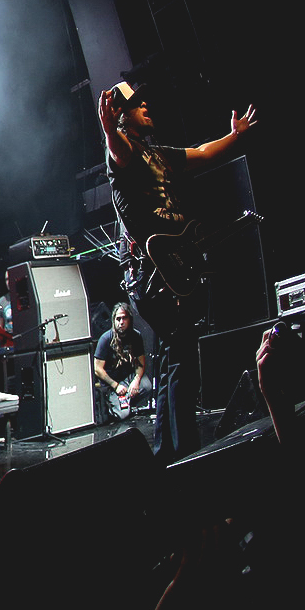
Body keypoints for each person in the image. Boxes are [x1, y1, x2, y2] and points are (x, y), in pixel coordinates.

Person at [99, 80, 256, 462]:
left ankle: (167, 453)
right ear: (122, 117)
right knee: (181, 356)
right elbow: (116, 149)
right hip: (154, 272)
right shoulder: (125, 151)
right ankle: (184, 453)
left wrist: (234, 137)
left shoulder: (159, 154)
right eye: (137, 105)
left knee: (174, 356)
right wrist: (108, 129)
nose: (146, 106)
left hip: (172, 263)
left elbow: (202, 152)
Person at [92, 302, 148, 423]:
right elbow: (97, 368)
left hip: (127, 379)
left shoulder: (136, 336)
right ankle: (116, 405)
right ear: (114, 320)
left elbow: (141, 362)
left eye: (124, 318)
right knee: (123, 415)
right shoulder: (106, 338)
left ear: (129, 319)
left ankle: (125, 402)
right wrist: (116, 386)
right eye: (118, 319)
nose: (121, 322)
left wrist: (136, 380)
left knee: (146, 385)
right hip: (111, 384)